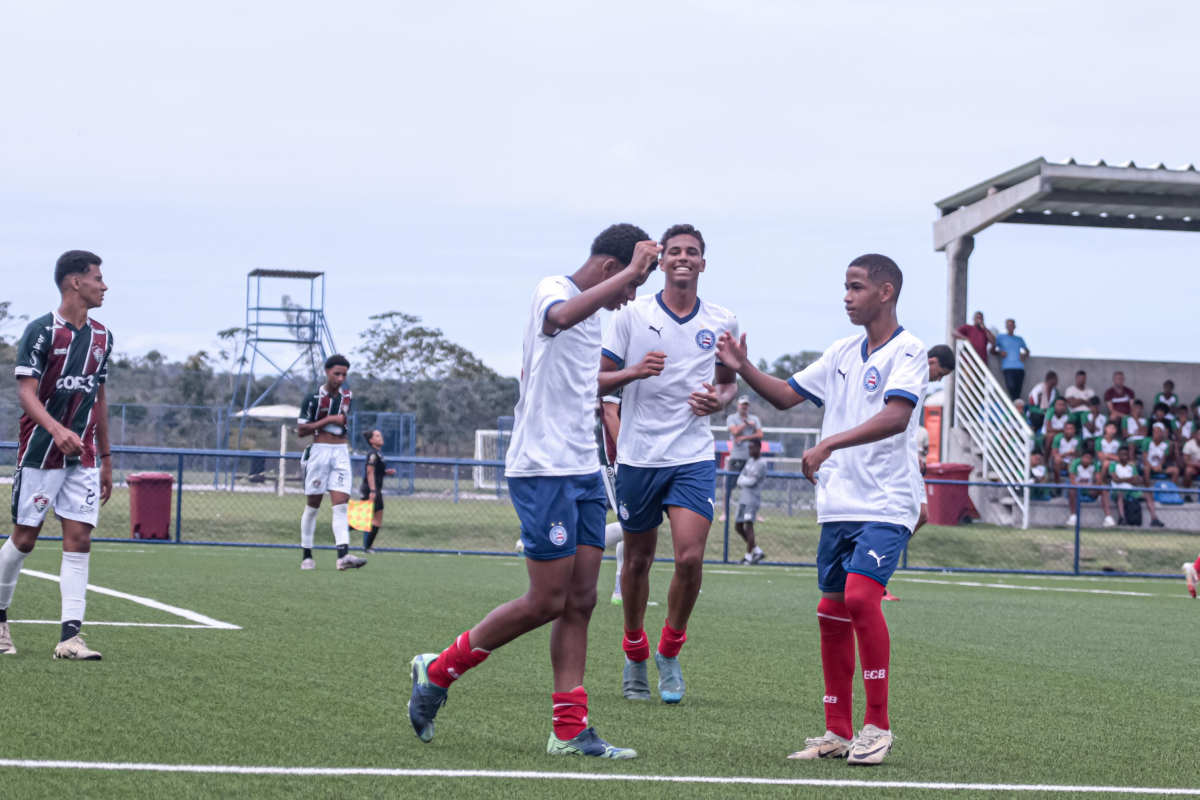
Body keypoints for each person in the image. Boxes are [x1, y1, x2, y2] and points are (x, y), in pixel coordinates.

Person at [406, 223, 658, 759]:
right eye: (631, 284)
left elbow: (581, 382)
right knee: (546, 599)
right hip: (541, 468)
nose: (631, 298)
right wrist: (633, 275)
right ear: (613, 269)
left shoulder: (597, 319)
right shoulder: (556, 290)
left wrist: (632, 377)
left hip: (582, 468)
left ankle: (569, 730)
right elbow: (557, 320)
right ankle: (438, 669)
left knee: (582, 600)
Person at [717, 253, 927, 766]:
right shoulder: (839, 352)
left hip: (885, 502)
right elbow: (787, 396)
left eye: (856, 287)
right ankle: (837, 731)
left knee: (860, 598)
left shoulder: (910, 351)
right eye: (845, 287)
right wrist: (744, 368)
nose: (847, 296)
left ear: (886, 291)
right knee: (831, 612)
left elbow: (897, 417)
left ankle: (877, 726)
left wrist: (829, 443)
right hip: (838, 505)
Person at [598, 223, 738, 707]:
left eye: (692, 252)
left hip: (692, 454)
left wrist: (718, 401)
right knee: (636, 559)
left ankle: (670, 650)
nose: (683, 258)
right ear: (661, 262)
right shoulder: (630, 316)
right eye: (674, 251)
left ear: (704, 262)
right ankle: (634, 650)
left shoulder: (722, 320)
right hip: (639, 456)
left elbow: (727, 384)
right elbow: (597, 380)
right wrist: (635, 371)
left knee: (689, 558)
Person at [0, 250, 113, 660]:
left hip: (82, 457)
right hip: (40, 452)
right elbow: (26, 391)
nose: (104, 286)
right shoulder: (42, 331)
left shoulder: (102, 337)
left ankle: (70, 638)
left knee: (79, 537)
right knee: (25, 539)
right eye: (97, 278)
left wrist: (107, 458)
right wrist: (56, 429)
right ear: (73, 282)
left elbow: (98, 397)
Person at [886, 344, 956, 603]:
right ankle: (873, 573)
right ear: (932, 361)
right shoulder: (909, 376)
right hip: (896, 455)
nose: (939, 379)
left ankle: (875, 570)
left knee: (921, 515)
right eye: (941, 373)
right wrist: (910, 451)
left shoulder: (921, 384)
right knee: (900, 514)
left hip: (908, 454)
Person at [296, 355, 366, 571]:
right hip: (319, 453)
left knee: (341, 506)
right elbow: (301, 430)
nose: (341, 378)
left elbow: (343, 421)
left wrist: (339, 424)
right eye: (337, 373)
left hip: (341, 452)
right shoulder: (313, 398)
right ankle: (307, 555)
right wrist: (327, 421)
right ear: (327, 372)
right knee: (313, 507)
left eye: (344, 374)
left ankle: (343, 556)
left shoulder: (347, 396)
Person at [1108, 445, 1164, 528]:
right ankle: (1122, 518)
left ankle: (1154, 519)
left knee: (1148, 494)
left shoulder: (1132, 466)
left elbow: (1137, 481)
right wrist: (1130, 479)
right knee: (1120, 495)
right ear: (1118, 455)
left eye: (1126, 454)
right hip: (1117, 490)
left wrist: (1123, 479)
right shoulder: (1113, 465)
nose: (1124, 456)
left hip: (1131, 490)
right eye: (1122, 454)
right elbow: (1115, 479)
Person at [360, 429, 396, 552]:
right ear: (371, 441)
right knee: (361, 519)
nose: (380, 437)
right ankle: (341, 532)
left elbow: (376, 471)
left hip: (376, 489)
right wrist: (373, 491)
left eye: (380, 435)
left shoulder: (378, 453)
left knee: (376, 518)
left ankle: (368, 547)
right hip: (371, 489)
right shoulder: (373, 454)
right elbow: (369, 472)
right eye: (377, 436)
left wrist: (385, 472)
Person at [724, 395, 763, 504]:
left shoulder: (754, 419)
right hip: (736, 457)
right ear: (738, 405)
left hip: (751, 458)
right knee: (728, 486)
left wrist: (744, 437)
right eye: (742, 404)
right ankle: (724, 513)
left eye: (746, 405)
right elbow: (735, 432)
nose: (744, 407)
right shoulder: (731, 418)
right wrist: (745, 424)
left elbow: (760, 434)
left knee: (752, 486)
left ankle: (753, 512)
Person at [734, 439, 767, 564]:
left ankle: (748, 557)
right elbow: (739, 479)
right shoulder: (749, 462)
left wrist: (744, 480)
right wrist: (745, 480)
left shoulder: (762, 464)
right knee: (738, 526)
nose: (750, 451)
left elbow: (752, 482)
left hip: (752, 500)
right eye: (749, 448)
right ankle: (757, 551)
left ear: (759, 448)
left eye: (752, 448)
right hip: (743, 498)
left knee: (748, 526)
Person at [1066, 450, 1113, 528]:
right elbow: (1072, 482)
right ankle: (1073, 517)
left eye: (1089, 458)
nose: (1086, 460)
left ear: (1092, 459)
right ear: (1081, 458)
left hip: (1090, 490)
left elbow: (1098, 482)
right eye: (1085, 457)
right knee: (1071, 490)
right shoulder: (1075, 463)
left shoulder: (1095, 464)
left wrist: (1090, 486)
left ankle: (1108, 517)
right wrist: (1087, 485)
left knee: (1104, 489)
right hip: (1078, 490)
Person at [991, 318, 1028, 401]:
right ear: (1006, 326)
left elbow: (1027, 351)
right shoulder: (1001, 337)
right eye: (1008, 325)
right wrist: (1000, 352)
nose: (1010, 327)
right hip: (1008, 368)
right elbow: (992, 351)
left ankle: (1016, 408)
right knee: (1011, 388)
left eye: (1012, 325)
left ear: (1014, 326)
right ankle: (1014, 407)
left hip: (1019, 368)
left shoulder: (1019, 339)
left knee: (1018, 392)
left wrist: (1024, 354)